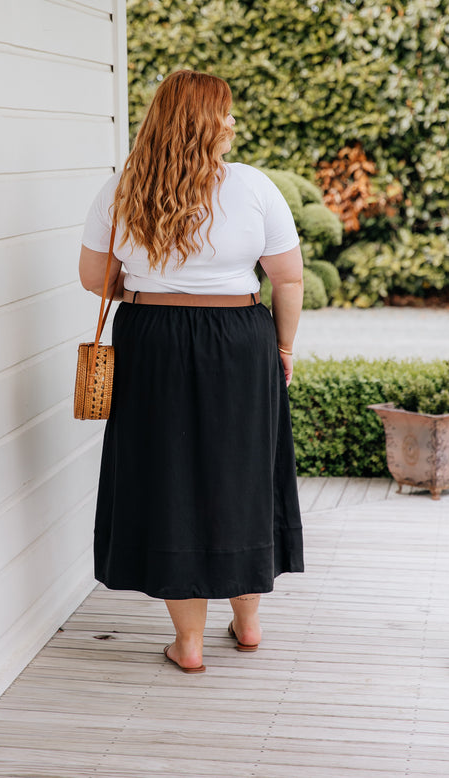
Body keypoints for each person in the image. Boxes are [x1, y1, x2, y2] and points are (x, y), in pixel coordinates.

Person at [79, 69, 304, 673]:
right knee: (244, 471)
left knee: (168, 478)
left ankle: (190, 643)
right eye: (225, 113)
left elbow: (93, 277)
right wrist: (282, 348)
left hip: (150, 342)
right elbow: (287, 278)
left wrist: (159, 292)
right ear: (204, 122)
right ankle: (249, 623)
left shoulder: (122, 188)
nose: (233, 123)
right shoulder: (255, 188)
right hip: (239, 340)